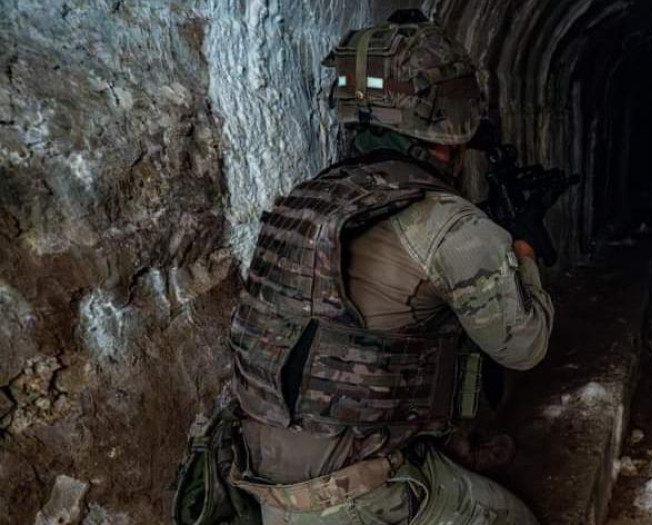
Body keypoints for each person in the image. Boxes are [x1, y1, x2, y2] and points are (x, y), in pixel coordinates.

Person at [224, 11, 551, 525]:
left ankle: (448, 455)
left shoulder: (310, 201)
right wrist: (524, 257)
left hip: (262, 473)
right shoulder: (449, 224)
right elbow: (525, 346)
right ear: (451, 117)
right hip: (347, 496)